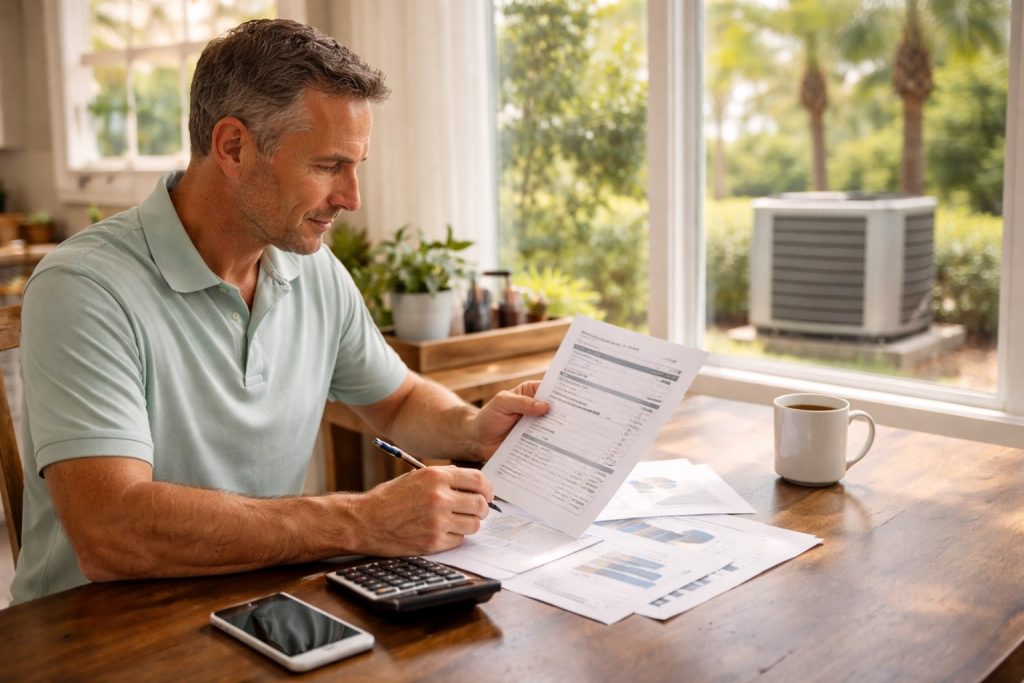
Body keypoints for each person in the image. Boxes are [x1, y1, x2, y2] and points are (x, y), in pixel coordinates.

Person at [10, 18, 547, 603]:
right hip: (94, 633)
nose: (351, 197)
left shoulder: (313, 270)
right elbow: (111, 530)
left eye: (355, 165)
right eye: (326, 166)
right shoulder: (85, 286)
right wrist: (360, 520)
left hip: (261, 605)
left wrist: (471, 428)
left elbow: (397, 401)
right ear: (234, 146)